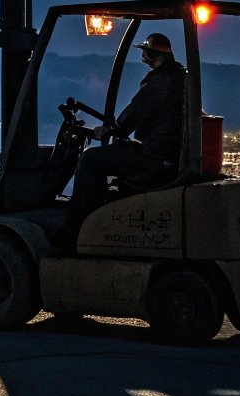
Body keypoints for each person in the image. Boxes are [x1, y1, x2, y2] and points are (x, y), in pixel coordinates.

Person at [62, 33, 186, 244]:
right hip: (164, 151)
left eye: (144, 51)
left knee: (90, 159)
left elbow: (135, 112)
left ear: (153, 54)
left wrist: (112, 129)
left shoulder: (160, 81)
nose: (142, 56)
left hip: (152, 155)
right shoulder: (177, 77)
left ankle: (78, 229)